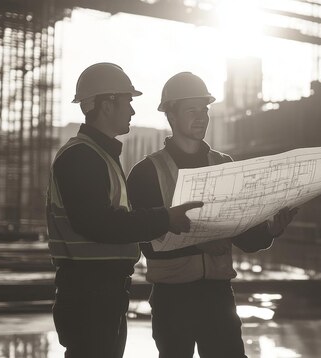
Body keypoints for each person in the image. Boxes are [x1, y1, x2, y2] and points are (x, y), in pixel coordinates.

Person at [127, 72, 298, 358]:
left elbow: (243, 235)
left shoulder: (224, 165)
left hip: (218, 296)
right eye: (191, 110)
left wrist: (270, 230)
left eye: (204, 110)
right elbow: (147, 241)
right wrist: (199, 243)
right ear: (170, 114)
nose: (201, 117)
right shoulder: (147, 173)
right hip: (173, 298)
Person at [46, 63, 202, 358]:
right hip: (87, 291)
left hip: (103, 289)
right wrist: (165, 218)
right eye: (128, 101)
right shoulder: (81, 157)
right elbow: (96, 222)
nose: (132, 111)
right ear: (107, 104)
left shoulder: (101, 155)